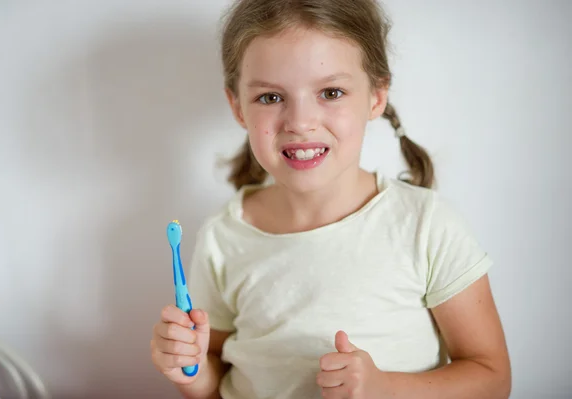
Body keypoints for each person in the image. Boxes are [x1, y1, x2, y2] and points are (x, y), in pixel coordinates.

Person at [150, 0, 511, 398]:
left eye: (331, 92)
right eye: (271, 98)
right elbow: (215, 376)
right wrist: (191, 372)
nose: (301, 122)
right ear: (238, 106)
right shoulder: (223, 236)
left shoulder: (427, 226)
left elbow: (492, 378)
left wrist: (385, 388)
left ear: (376, 96)